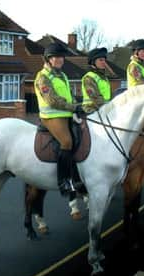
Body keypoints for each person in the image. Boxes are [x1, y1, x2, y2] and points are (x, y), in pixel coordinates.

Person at [34, 42, 84, 195]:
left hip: (65, 114)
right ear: (48, 59)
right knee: (67, 142)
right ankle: (63, 181)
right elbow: (53, 100)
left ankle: (78, 176)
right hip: (51, 116)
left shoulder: (62, 75)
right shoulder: (43, 77)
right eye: (56, 57)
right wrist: (73, 108)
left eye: (62, 57)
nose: (61, 60)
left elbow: (68, 96)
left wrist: (79, 105)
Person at [81, 47, 111, 113]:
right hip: (90, 110)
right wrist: (110, 108)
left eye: (104, 60)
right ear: (93, 62)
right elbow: (95, 97)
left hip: (103, 110)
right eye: (100, 60)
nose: (104, 62)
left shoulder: (104, 78)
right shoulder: (89, 77)